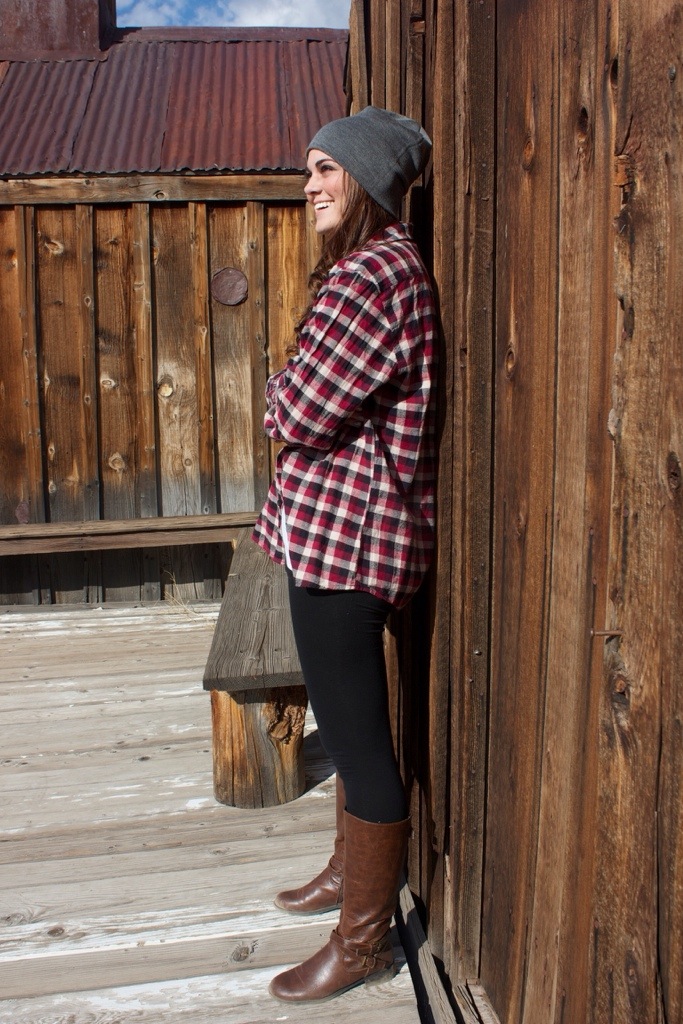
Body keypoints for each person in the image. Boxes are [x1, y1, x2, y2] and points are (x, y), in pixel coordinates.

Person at [251, 105, 437, 1003]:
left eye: (326, 168)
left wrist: (276, 390)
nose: (310, 185)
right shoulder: (371, 268)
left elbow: (296, 412)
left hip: (348, 544)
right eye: (309, 170)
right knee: (343, 715)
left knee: (359, 746)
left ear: (366, 178)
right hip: (334, 535)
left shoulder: (371, 275)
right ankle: (344, 870)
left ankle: (364, 943)